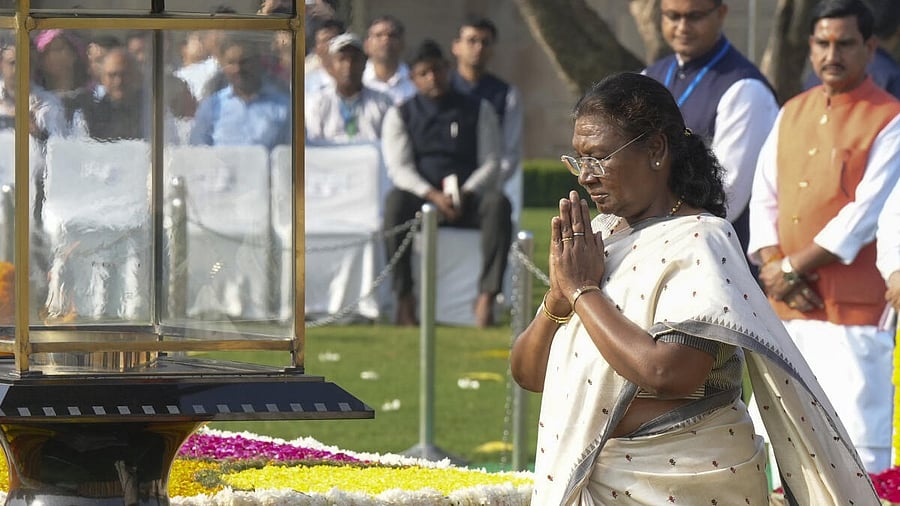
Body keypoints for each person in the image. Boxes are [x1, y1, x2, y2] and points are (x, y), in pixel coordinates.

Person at [509, 71, 878, 505]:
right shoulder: (599, 238)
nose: (586, 176)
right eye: (578, 160)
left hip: (690, 482)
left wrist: (583, 294)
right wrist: (558, 297)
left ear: (656, 149)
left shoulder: (703, 239)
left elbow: (670, 373)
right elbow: (527, 373)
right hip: (599, 477)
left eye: (600, 158)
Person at [748, 0, 900, 475]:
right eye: (822, 42)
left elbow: (864, 215)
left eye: (844, 43)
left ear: (870, 47)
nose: (831, 54)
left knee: (857, 444)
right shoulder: (791, 110)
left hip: (853, 313)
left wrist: (790, 268)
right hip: (788, 308)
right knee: (773, 438)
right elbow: (764, 198)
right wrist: (775, 270)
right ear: (811, 46)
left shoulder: (889, 118)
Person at [381, 39, 511, 328]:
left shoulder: (479, 109)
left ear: (448, 69)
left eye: (437, 70)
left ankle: (487, 297)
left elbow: (491, 161)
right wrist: (432, 195)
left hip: (467, 197)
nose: (433, 78)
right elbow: (399, 169)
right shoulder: (400, 114)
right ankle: (404, 298)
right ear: (413, 78)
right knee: (394, 203)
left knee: (498, 204)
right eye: (424, 73)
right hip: (423, 199)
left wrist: (466, 192)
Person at [644, 0, 778, 259]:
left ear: (721, 13)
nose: (682, 27)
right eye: (672, 16)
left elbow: (727, 195)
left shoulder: (746, 89)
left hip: (713, 256)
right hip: (650, 243)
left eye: (694, 16)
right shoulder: (651, 75)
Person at [450, 16, 523, 186]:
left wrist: (483, 183)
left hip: (491, 185)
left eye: (485, 42)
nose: (478, 47)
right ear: (456, 46)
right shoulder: (442, 90)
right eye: (471, 41)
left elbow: (510, 151)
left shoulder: (506, 94)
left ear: (492, 49)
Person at [190, 34, 291, 150]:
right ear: (223, 65)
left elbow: (292, 154)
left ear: (257, 62)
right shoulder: (212, 106)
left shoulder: (282, 107)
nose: (238, 68)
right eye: (231, 63)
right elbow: (196, 150)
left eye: (244, 62)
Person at [305, 33, 393, 143]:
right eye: (342, 59)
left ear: (364, 64)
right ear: (331, 65)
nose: (349, 65)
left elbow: (390, 144)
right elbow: (314, 144)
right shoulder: (318, 102)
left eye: (355, 59)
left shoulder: (382, 102)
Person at [802, 5, 900, 99]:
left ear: (870, 47)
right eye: (823, 44)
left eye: (844, 44)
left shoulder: (816, 75)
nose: (831, 57)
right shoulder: (893, 77)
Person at [362, 14, 416, 105]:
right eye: (378, 35)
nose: (386, 39)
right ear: (366, 45)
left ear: (402, 43)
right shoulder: (358, 81)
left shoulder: (415, 81)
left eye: (392, 35)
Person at [304, 18, 344, 96]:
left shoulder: (356, 73)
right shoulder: (305, 76)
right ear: (316, 48)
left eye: (332, 40)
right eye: (324, 41)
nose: (329, 45)